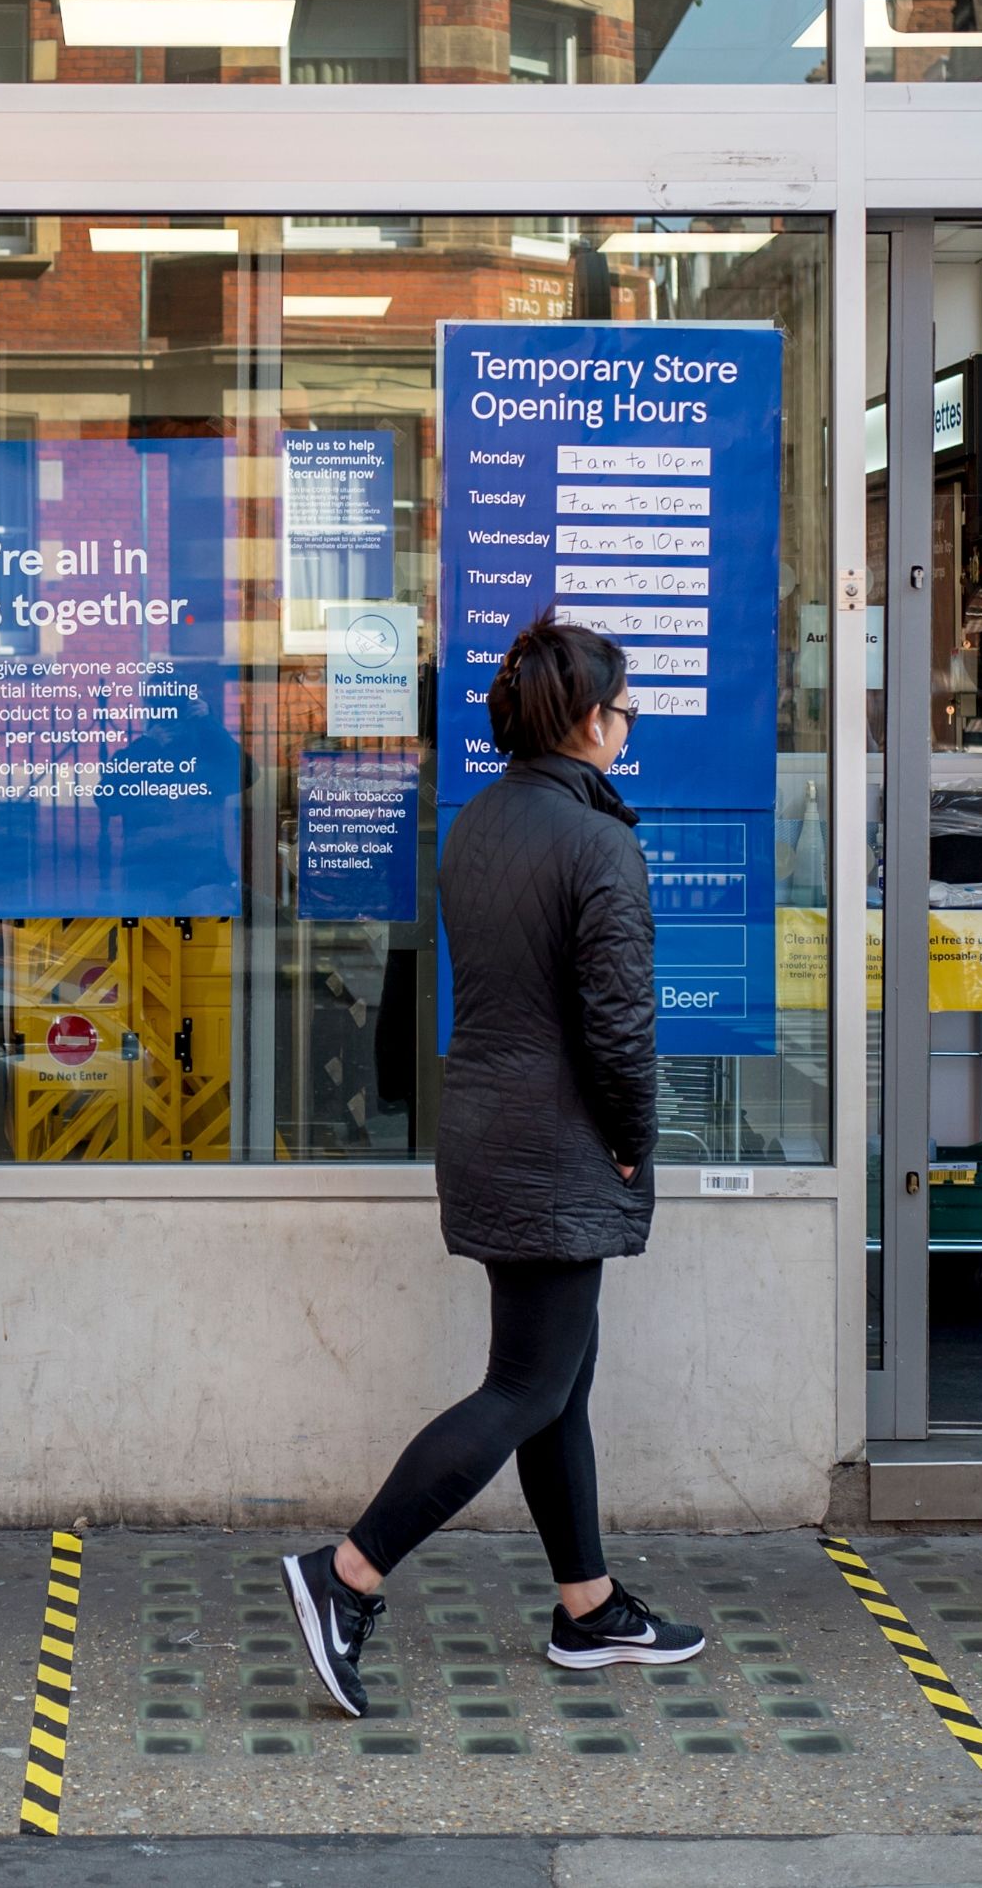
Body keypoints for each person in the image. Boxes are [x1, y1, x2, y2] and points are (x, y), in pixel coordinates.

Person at [280, 616, 706, 1717]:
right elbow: (619, 1020)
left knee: (554, 1381)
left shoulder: (478, 820)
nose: (630, 728)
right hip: (559, 1137)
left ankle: (589, 1606)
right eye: (625, 711)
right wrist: (634, 1138)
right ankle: (348, 1575)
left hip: (490, 1126)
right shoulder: (595, 840)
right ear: (584, 719)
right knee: (526, 1384)